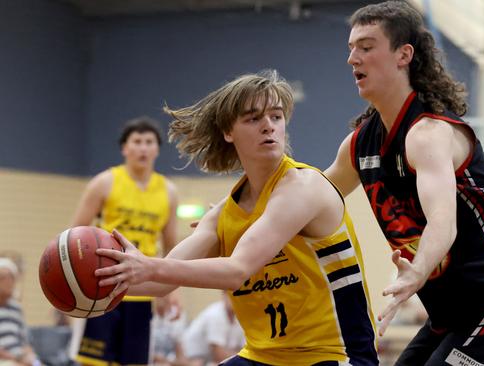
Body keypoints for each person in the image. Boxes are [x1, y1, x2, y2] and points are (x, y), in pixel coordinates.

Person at [324, 1, 484, 364]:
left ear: (404, 55)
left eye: (366, 47)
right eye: (351, 48)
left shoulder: (429, 133)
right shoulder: (359, 144)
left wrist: (417, 272)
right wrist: (245, 218)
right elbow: (313, 200)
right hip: (454, 315)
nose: (353, 58)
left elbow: (442, 223)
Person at [96, 70, 379, 365]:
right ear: (228, 132)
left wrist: (149, 266)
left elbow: (236, 270)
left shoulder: (302, 187)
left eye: (276, 116)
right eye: (253, 118)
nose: (268, 126)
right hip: (263, 357)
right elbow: (163, 279)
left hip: (337, 356)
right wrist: (95, 288)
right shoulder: (222, 215)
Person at [69, 117, 179, 365]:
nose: (143, 148)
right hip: (103, 287)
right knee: (93, 361)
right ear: (124, 148)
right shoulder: (105, 182)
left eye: (149, 142)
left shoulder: (168, 191)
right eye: (137, 141)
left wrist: (171, 291)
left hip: (143, 288)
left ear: (157, 149)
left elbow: (171, 245)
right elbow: (75, 233)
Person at [181, 295, 245, 365]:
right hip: (188, 358)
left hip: (208, 360)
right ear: (224, 294)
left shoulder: (241, 316)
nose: (236, 298)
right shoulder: (215, 314)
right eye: (232, 294)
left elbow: (244, 349)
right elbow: (219, 355)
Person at [0, 258, 39, 366]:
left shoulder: (16, 308)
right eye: (4, 278)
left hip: (20, 359)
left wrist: (33, 359)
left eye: (11, 278)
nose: (9, 282)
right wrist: (17, 358)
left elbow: (25, 341)